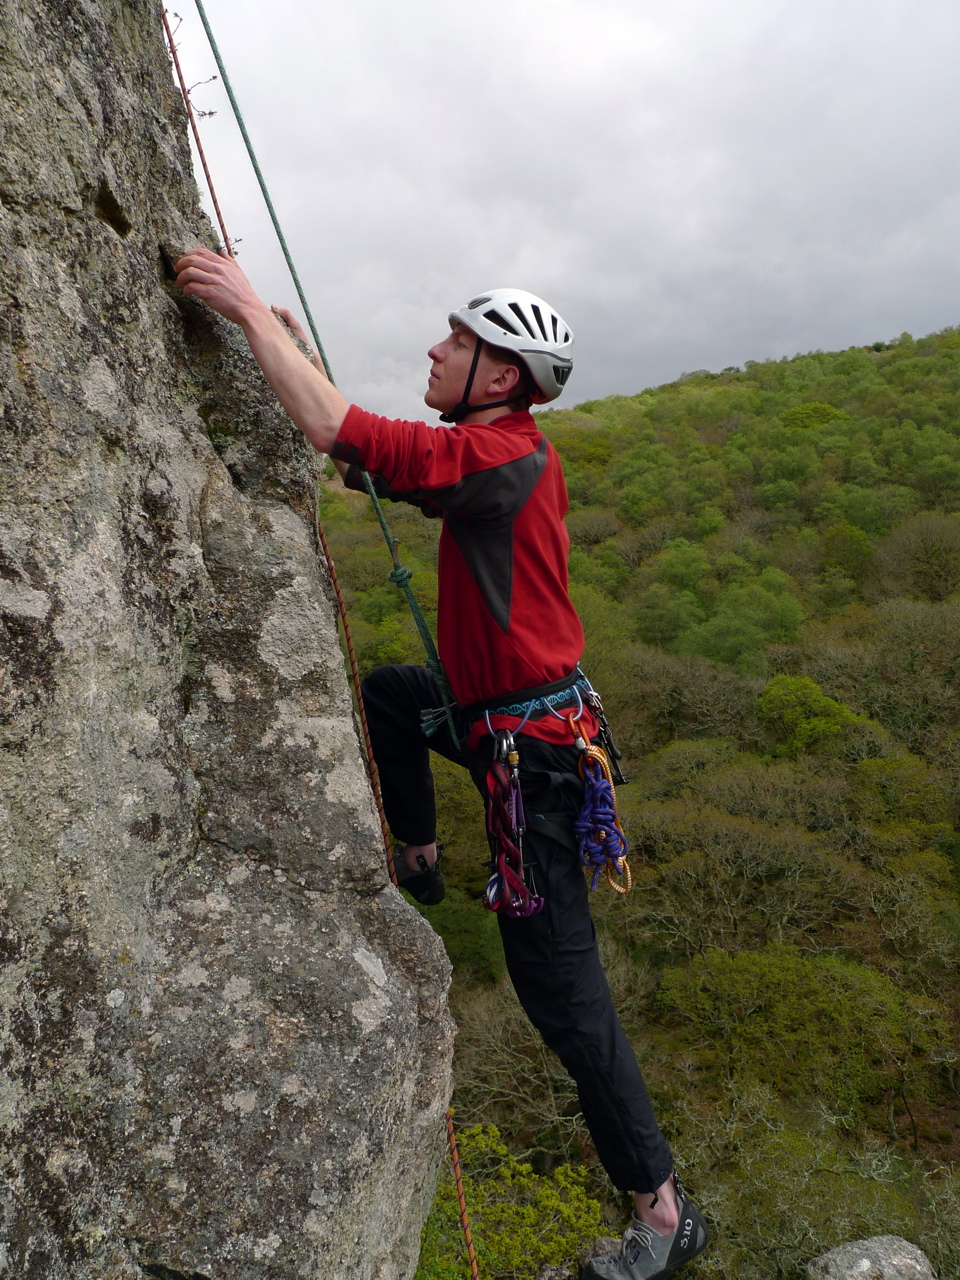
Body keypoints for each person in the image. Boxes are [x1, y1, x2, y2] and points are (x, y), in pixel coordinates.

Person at [174, 247, 708, 1280]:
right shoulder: (498, 455)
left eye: (458, 339)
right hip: (501, 723)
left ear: (501, 375)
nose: (435, 345)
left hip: (535, 762)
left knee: (562, 993)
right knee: (391, 692)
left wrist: (248, 312)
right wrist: (279, 340)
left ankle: (659, 1207)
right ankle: (419, 853)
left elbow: (341, 430)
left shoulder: (502, 456)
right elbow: (363, 454)